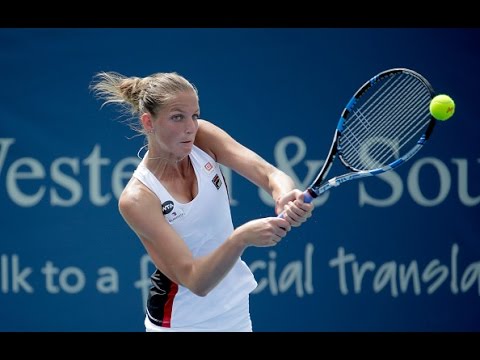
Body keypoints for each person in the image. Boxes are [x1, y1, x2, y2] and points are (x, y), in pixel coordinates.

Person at [90, 71, 314, 332]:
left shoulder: (202, 138)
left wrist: (283, 194)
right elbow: (196, 281)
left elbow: (270, 174)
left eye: (194, 115)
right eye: (177, 117)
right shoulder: (137, 198)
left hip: (235, 311)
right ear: (148, 123)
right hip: (181, 322)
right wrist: (240, 238)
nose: (190, 127)